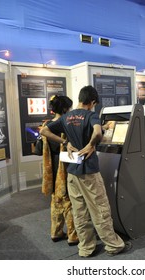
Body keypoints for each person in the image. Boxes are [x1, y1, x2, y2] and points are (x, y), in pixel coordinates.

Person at [40, 86, 132, 257]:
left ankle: (86, 248)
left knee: (79, 211)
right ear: (92, 102)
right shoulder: (91, 115)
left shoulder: (67, 116)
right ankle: (113, 245)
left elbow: (44, 131)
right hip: (89, 171)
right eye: (94, 104)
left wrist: (65, 142)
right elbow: (97, 132)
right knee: (100, 208)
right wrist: (91, 144)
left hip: (72, 172)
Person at [41, 95, 79, 246]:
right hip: (65, 166)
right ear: (65, 109)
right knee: (69, 200)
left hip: (51, 167)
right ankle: (73, 235)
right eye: (68, 108)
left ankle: (56, 232)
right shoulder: (65, 125)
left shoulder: (47, 124)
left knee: (56, 200)